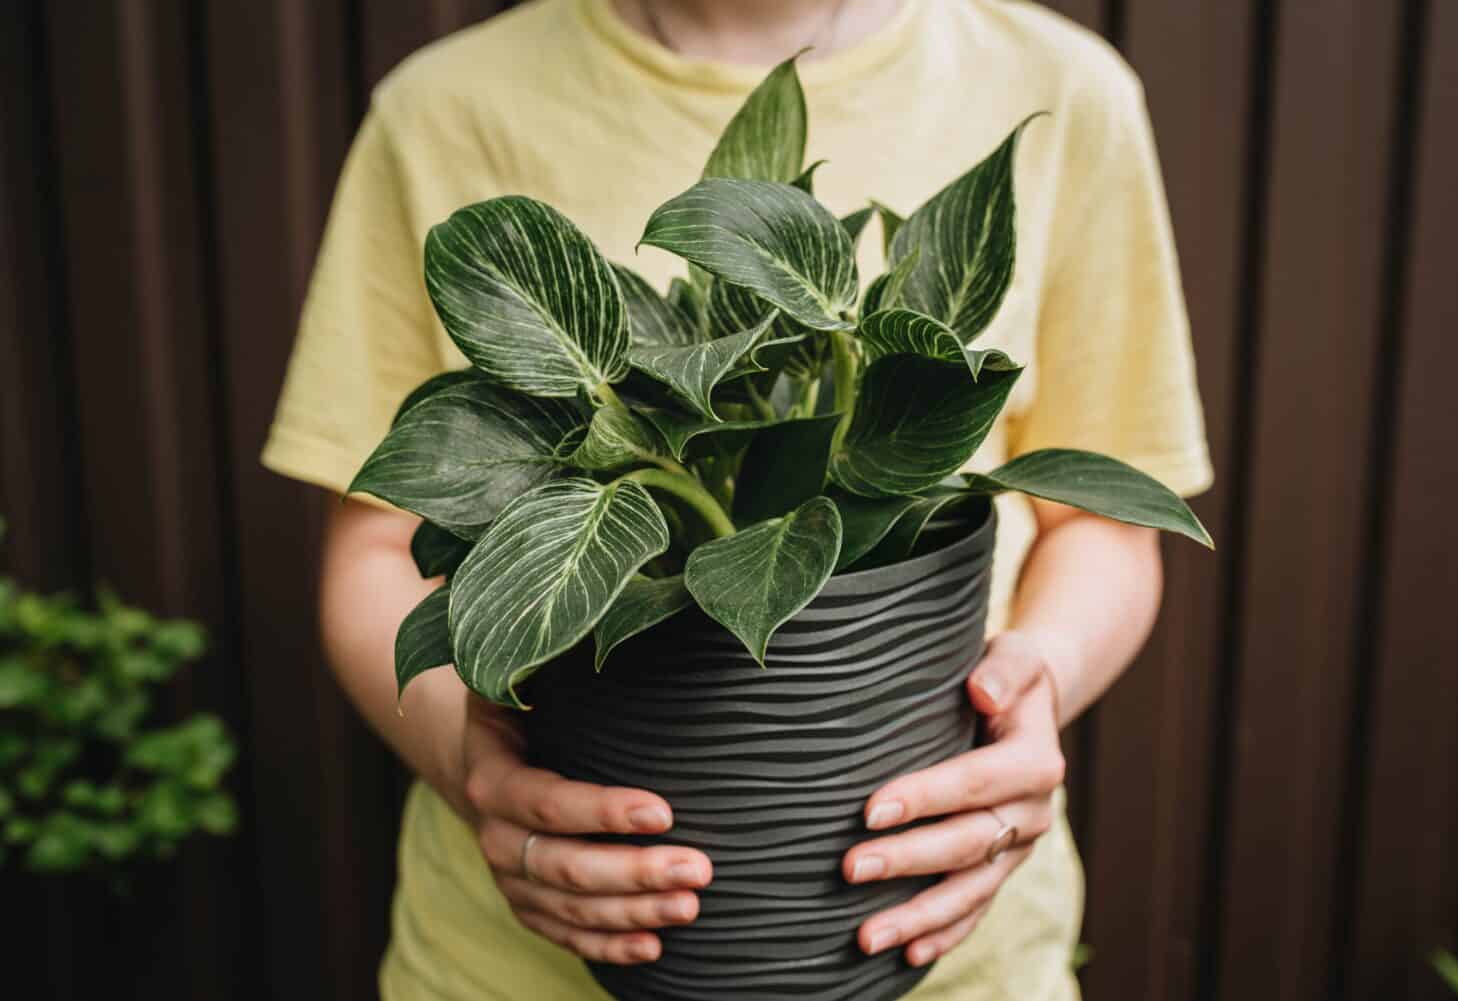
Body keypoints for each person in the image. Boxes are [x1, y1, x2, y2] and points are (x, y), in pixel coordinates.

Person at [262, 1, 1214, 998]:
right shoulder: (439, 110)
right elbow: (377, 546)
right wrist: (475, 769)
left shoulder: (1064, 87)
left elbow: (1103, 525)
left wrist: (1032, 682)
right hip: (508, 962)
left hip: (953, 956)